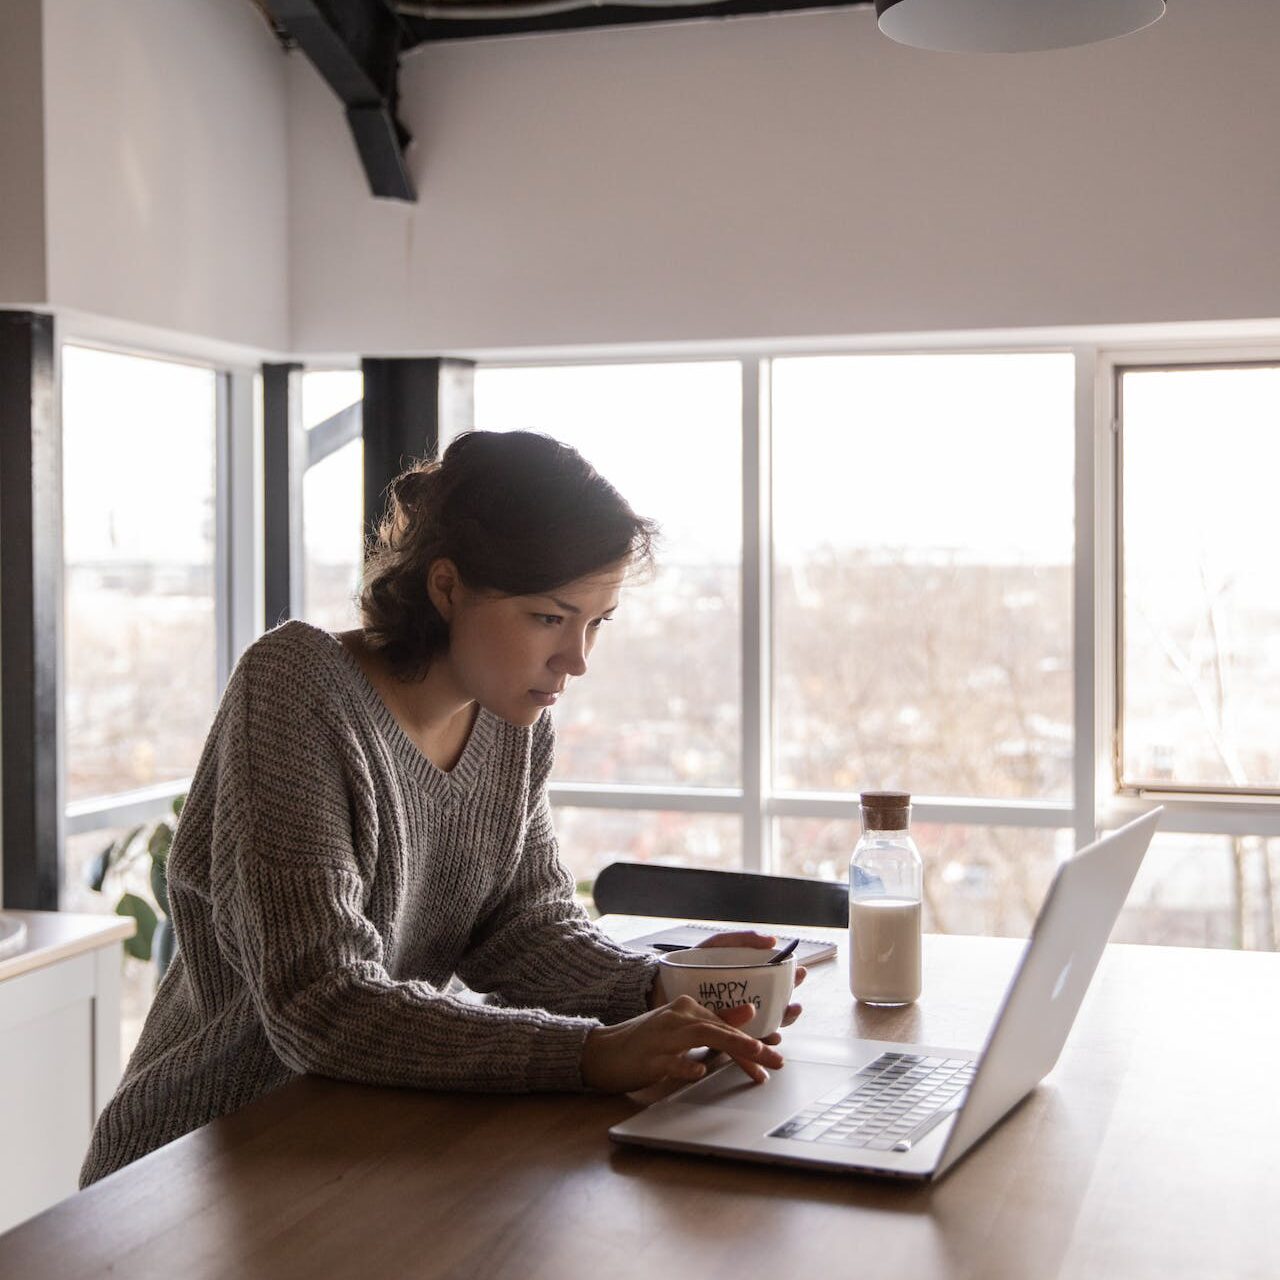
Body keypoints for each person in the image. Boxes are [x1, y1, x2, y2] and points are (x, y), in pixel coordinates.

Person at [81, 429, 803, 1187]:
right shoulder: (295, 689)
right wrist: (588, 1055)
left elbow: (522, 927)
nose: (577, 659)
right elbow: (320, 1001)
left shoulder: (512, 723)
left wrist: (667, 989)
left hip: (364, 1145)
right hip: (199, 1161)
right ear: (447, 585)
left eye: (596, 622)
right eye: (550, 618)